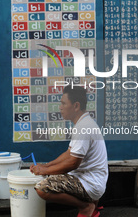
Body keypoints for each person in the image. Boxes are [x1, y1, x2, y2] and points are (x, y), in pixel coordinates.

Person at [30, 85, 108, 217]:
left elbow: (73, 163)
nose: (60, 107)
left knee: (42, 188)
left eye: (63, 103)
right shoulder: (85, 123)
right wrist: (47, 166)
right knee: (51, 174)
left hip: (90, 183)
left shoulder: (83, 128)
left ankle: (85, 206)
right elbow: (70, 153)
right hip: (94, 180)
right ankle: (93, 205)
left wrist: (45, 171)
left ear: (76, 106)